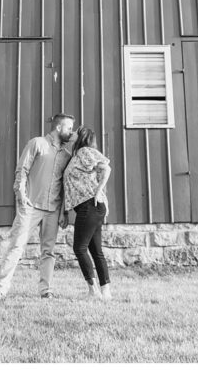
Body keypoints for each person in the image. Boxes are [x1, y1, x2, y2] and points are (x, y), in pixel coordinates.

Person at [0, 113, 76, 302]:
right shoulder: (37, 143)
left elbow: (63, 185)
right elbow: (22, 169)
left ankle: (46, 290)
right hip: (31, 206)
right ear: (58, 127)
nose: (71, 132)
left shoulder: (66, 154)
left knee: (48, 251)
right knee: (16, 246)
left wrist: (62, 212)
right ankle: (0, 290)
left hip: (53, 209)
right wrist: (20, 195)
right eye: (69, 128)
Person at [62, 125, 113, 301]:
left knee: (80, 248)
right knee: (95, 250)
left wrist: (99, 191)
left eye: (75, 131)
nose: (72, 133)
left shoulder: (84, 151)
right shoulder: (77, 156)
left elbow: (106, 168)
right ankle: (105, 292)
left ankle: (94, 291)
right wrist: (66, 211)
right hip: (89, 207)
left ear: (81, 136)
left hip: (90, 205)